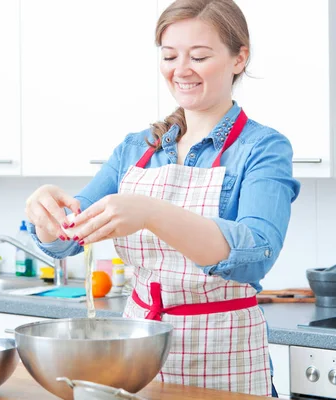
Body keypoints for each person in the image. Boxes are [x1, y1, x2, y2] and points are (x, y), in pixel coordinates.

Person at [24, 0, 300, 397]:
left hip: (224, 351)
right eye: (169, 55)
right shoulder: (138, 147)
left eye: (199, 56)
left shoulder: (261, 147)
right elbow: (69, 237)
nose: (180, 69)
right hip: (139, 350)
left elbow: (257, 253)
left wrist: (151, 212)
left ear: (239, 58)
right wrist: (45, 212)